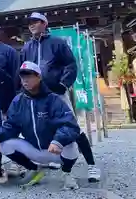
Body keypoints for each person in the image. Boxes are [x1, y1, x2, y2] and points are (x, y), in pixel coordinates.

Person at [21, 12, 101, 182]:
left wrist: (63, 84)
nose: (32, 25)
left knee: (73, 128)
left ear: (44, 23)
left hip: (56, 94)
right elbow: (23, 71)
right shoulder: (27, 47)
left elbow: (71, 65)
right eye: (30, 23)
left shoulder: (57, 43)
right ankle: (56, 159)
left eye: (36, 22)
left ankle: (92, 166)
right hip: (37, 96)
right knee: (46, 127)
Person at [0, 62, 81, 190]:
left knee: (72, 145)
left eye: (29, 77)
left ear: (39, 77)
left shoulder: (53, 99)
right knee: (4, 144)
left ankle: (66, 173)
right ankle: (34, 169)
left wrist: (58, 140)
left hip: (54, 150)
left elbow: (70, 125)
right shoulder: (18, 101)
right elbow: (10, 125)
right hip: (33, 149)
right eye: (22, 77)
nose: (25, 81)